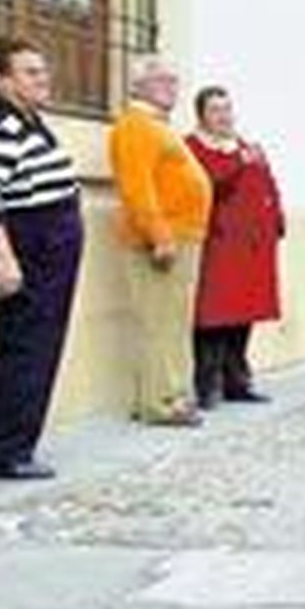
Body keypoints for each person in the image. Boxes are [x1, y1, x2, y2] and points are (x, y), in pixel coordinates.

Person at [0, 38, 83, 479]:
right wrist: (4, 260)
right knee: (23, 349)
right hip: (26, 246)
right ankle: (1, 454)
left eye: (42, 69)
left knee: (34, 347)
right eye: (30, 72)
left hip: (47, 246)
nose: (42, 78)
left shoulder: (28, 122)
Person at [107, 58, 212, 427]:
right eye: (161, 79)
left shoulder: (155, 126)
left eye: (174, 79)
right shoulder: (135, 126)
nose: (172, 85)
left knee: (171, 322)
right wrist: (160, 236)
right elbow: (137, 188)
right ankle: (163, 403)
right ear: (137, 86)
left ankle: (164, 396)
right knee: (160, 323)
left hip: (182, 237)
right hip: (161, 242)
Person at [186, 86, 284, 407]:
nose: (224, 116)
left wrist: (277, 219)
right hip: (221, 243)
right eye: (215, 110)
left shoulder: (245, 145)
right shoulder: (194, 147)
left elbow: (268, 181)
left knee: (245, 317)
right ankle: (207, 384)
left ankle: (237, 382)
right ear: (201, 115)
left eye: (227, 108)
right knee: (214, 318)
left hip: (254, 247)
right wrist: (238, 162)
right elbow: (209, 183)